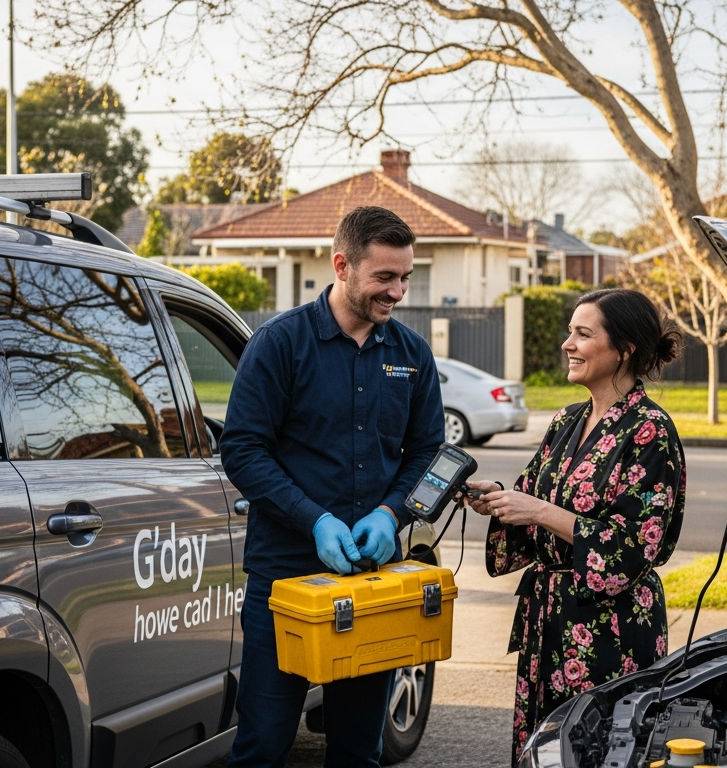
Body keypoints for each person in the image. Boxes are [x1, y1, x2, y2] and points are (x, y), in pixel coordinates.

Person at [221, 206, 444, 767]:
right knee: (263, 745)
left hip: (372, 583)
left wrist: (392, 513)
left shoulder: (411, 354)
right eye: (384, 277)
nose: (398, 292)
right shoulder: (279, 343)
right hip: (286, 576)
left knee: (358, 748)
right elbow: (243, 449)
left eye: (406, 277)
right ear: (342, 265)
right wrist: (313, 519)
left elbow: (427, 453)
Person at [464, 288, 686, 763]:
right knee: (546, 750)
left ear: (624, 349)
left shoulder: (650, 430)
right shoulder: (567, 419)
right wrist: (500, 499)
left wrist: (537, 511)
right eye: (569, 331)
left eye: (583, 334)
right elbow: (533, 496)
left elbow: (634, 546)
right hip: (548, 618)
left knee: (597, 748)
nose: (567, 343)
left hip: (611, 628)